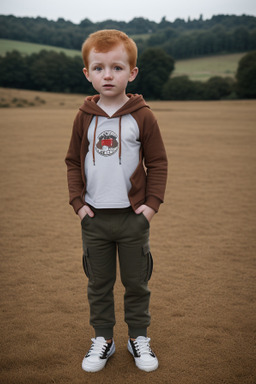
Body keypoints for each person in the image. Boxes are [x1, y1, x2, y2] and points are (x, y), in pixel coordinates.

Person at [65, 29, 168, 373]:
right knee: (98, 283)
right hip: (94, 219)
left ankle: (138, 337)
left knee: (137, 282)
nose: (107, 75)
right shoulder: (84, 117)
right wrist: (78, 204)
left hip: (132, 218)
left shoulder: (143, 115)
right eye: (99, 68)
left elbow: (158, 163)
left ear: (132, 72)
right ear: (87, 73)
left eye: (117, 68)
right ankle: (104, 339)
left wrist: (150, 206)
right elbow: (71, 162)